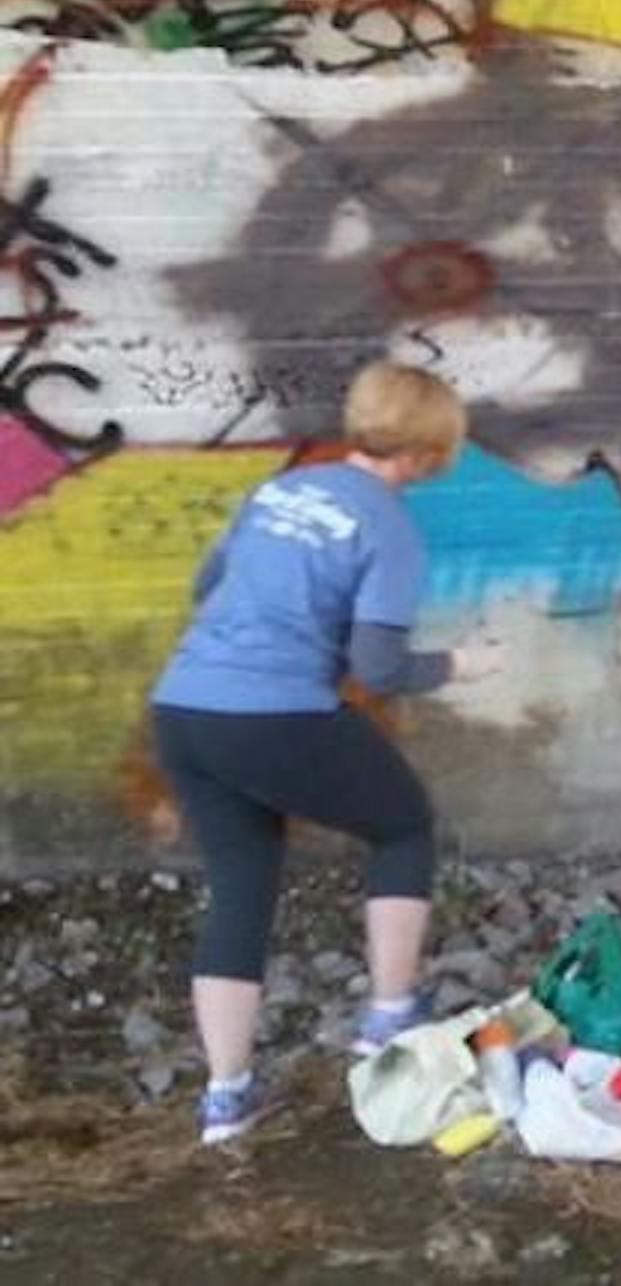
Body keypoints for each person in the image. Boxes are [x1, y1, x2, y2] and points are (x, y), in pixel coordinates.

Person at [150, 361, 504, 1144]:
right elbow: (378, 670)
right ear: (426, 451)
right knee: (403, 826)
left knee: (242, 882)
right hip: (276, 714)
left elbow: (208, 587)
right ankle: (387, 1016)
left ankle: (226, 1097)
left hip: (182, 707)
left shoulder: (278, 491)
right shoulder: (387, 527)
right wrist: (460, 664)